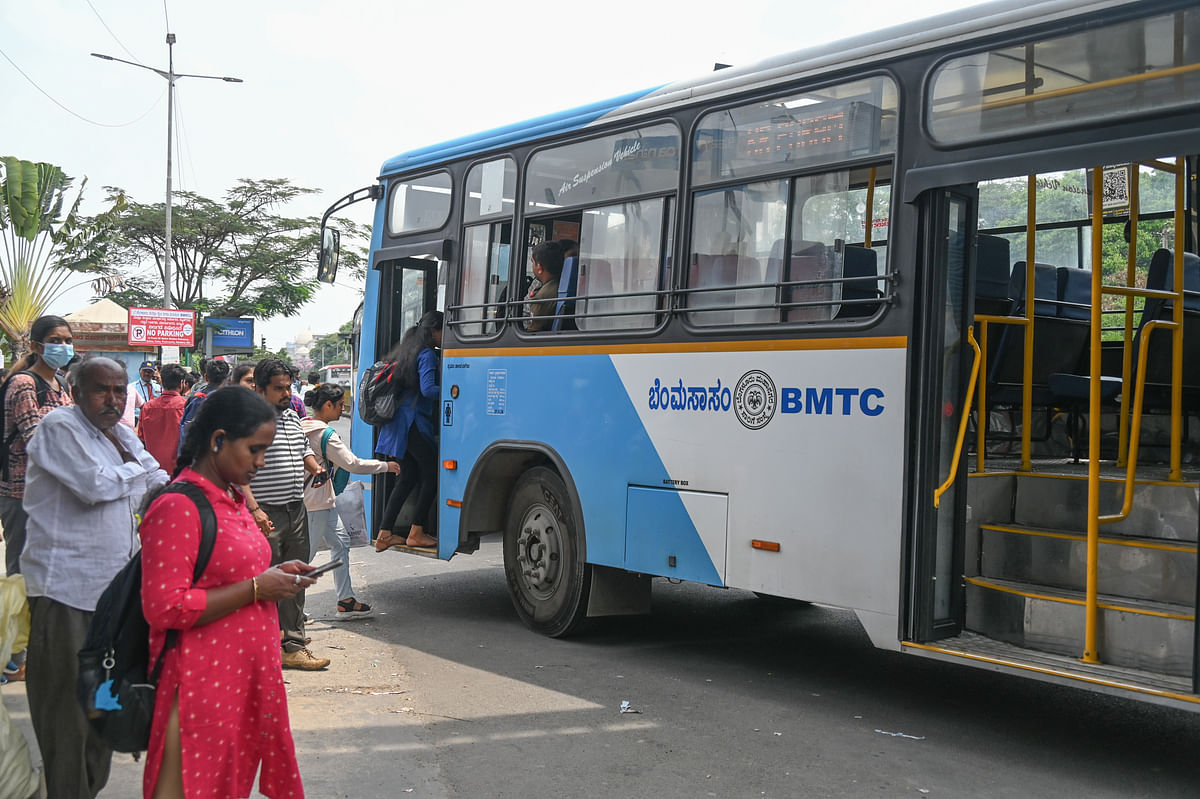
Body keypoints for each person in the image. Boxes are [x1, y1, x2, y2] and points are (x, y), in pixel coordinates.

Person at [141, 385, 314, 798]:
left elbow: (226, 572)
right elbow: (165, 607)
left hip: (239, 678)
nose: (261, 462)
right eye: (255, 450)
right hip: (201, 686)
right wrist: (257, 588)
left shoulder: (230, 498)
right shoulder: (178, 506)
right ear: (218, 440)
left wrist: (274, 574)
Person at [21, 357, 168, 798]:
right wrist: (135, 473)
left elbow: (158, 479)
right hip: (66, 591)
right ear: (77, 391)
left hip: (114, 596)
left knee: (102, 708)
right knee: (66, 714)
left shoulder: (119, 433)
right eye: (102, 390)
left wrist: (137, 475)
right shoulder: (59, 428)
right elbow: (94, 487)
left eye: (119, 390)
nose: (113, 399)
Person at [242, 358, 329, 670]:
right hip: (266, 514)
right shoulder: (249, 419)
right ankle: (262, 647)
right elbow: (238, 469)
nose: (285, 393)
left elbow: (303, 448)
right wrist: (254, 509)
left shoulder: (292, 415)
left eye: (288, 387)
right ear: (261, 389)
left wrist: (315, 467)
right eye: (278, 388)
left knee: (294, 580)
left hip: (296, 510)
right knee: (264, 584)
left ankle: (292, 644)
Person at [301, 383, 399, 618]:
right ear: (327, 405)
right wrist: (386, 466)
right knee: (305, 557)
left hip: (322, 499)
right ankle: (288, 612)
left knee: (341, 544)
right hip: (316, 502)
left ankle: (345, 600)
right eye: (340, 405)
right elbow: (352, 464)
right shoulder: (325, 434)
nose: (342, 409)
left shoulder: (304, 425)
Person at [0, 314, 74, 578]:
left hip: (51, 491)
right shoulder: (24, 384)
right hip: (22, 492)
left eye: (67, 340)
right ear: (36, 346)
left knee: (47, 571)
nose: (63, 346)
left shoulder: (60, 384)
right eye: (55, 341)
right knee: (23, 574)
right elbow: (36, 440)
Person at [375, 310, 442, 550]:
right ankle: (416, 531)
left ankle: (384, 533)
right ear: (434, 330)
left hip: (397, 424)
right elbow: (428, 389)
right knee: (433, 474)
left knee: (408, 477)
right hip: (412, 424)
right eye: (444, 331)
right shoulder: (427, 354)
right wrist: (455, 391)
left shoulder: (405, 351)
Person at [138, 363, 189, 475]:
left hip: (153, 471)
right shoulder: (186, 406)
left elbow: (140, 438)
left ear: (162, 382)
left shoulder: (147, 407)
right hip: (179, 471)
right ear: (181, 383)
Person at [178, 359, 231, 455]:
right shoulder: (232, 401)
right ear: (228, 378)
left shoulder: (194, 400)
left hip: (196, 459)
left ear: (206, 377)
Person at [526, 240, 565, 332]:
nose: (532, 266)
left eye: (533, 262)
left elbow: (532, 332)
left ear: (539, 268)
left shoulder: (541, 299)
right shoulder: (559, 285)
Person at [130, 360, 162, 424]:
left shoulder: (159, 387)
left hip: (156, 420)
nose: (147, 373)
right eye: (144, 371)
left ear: (153, 373)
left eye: (150, 371)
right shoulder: (132, 387)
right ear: (140, 371)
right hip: (138, 420)